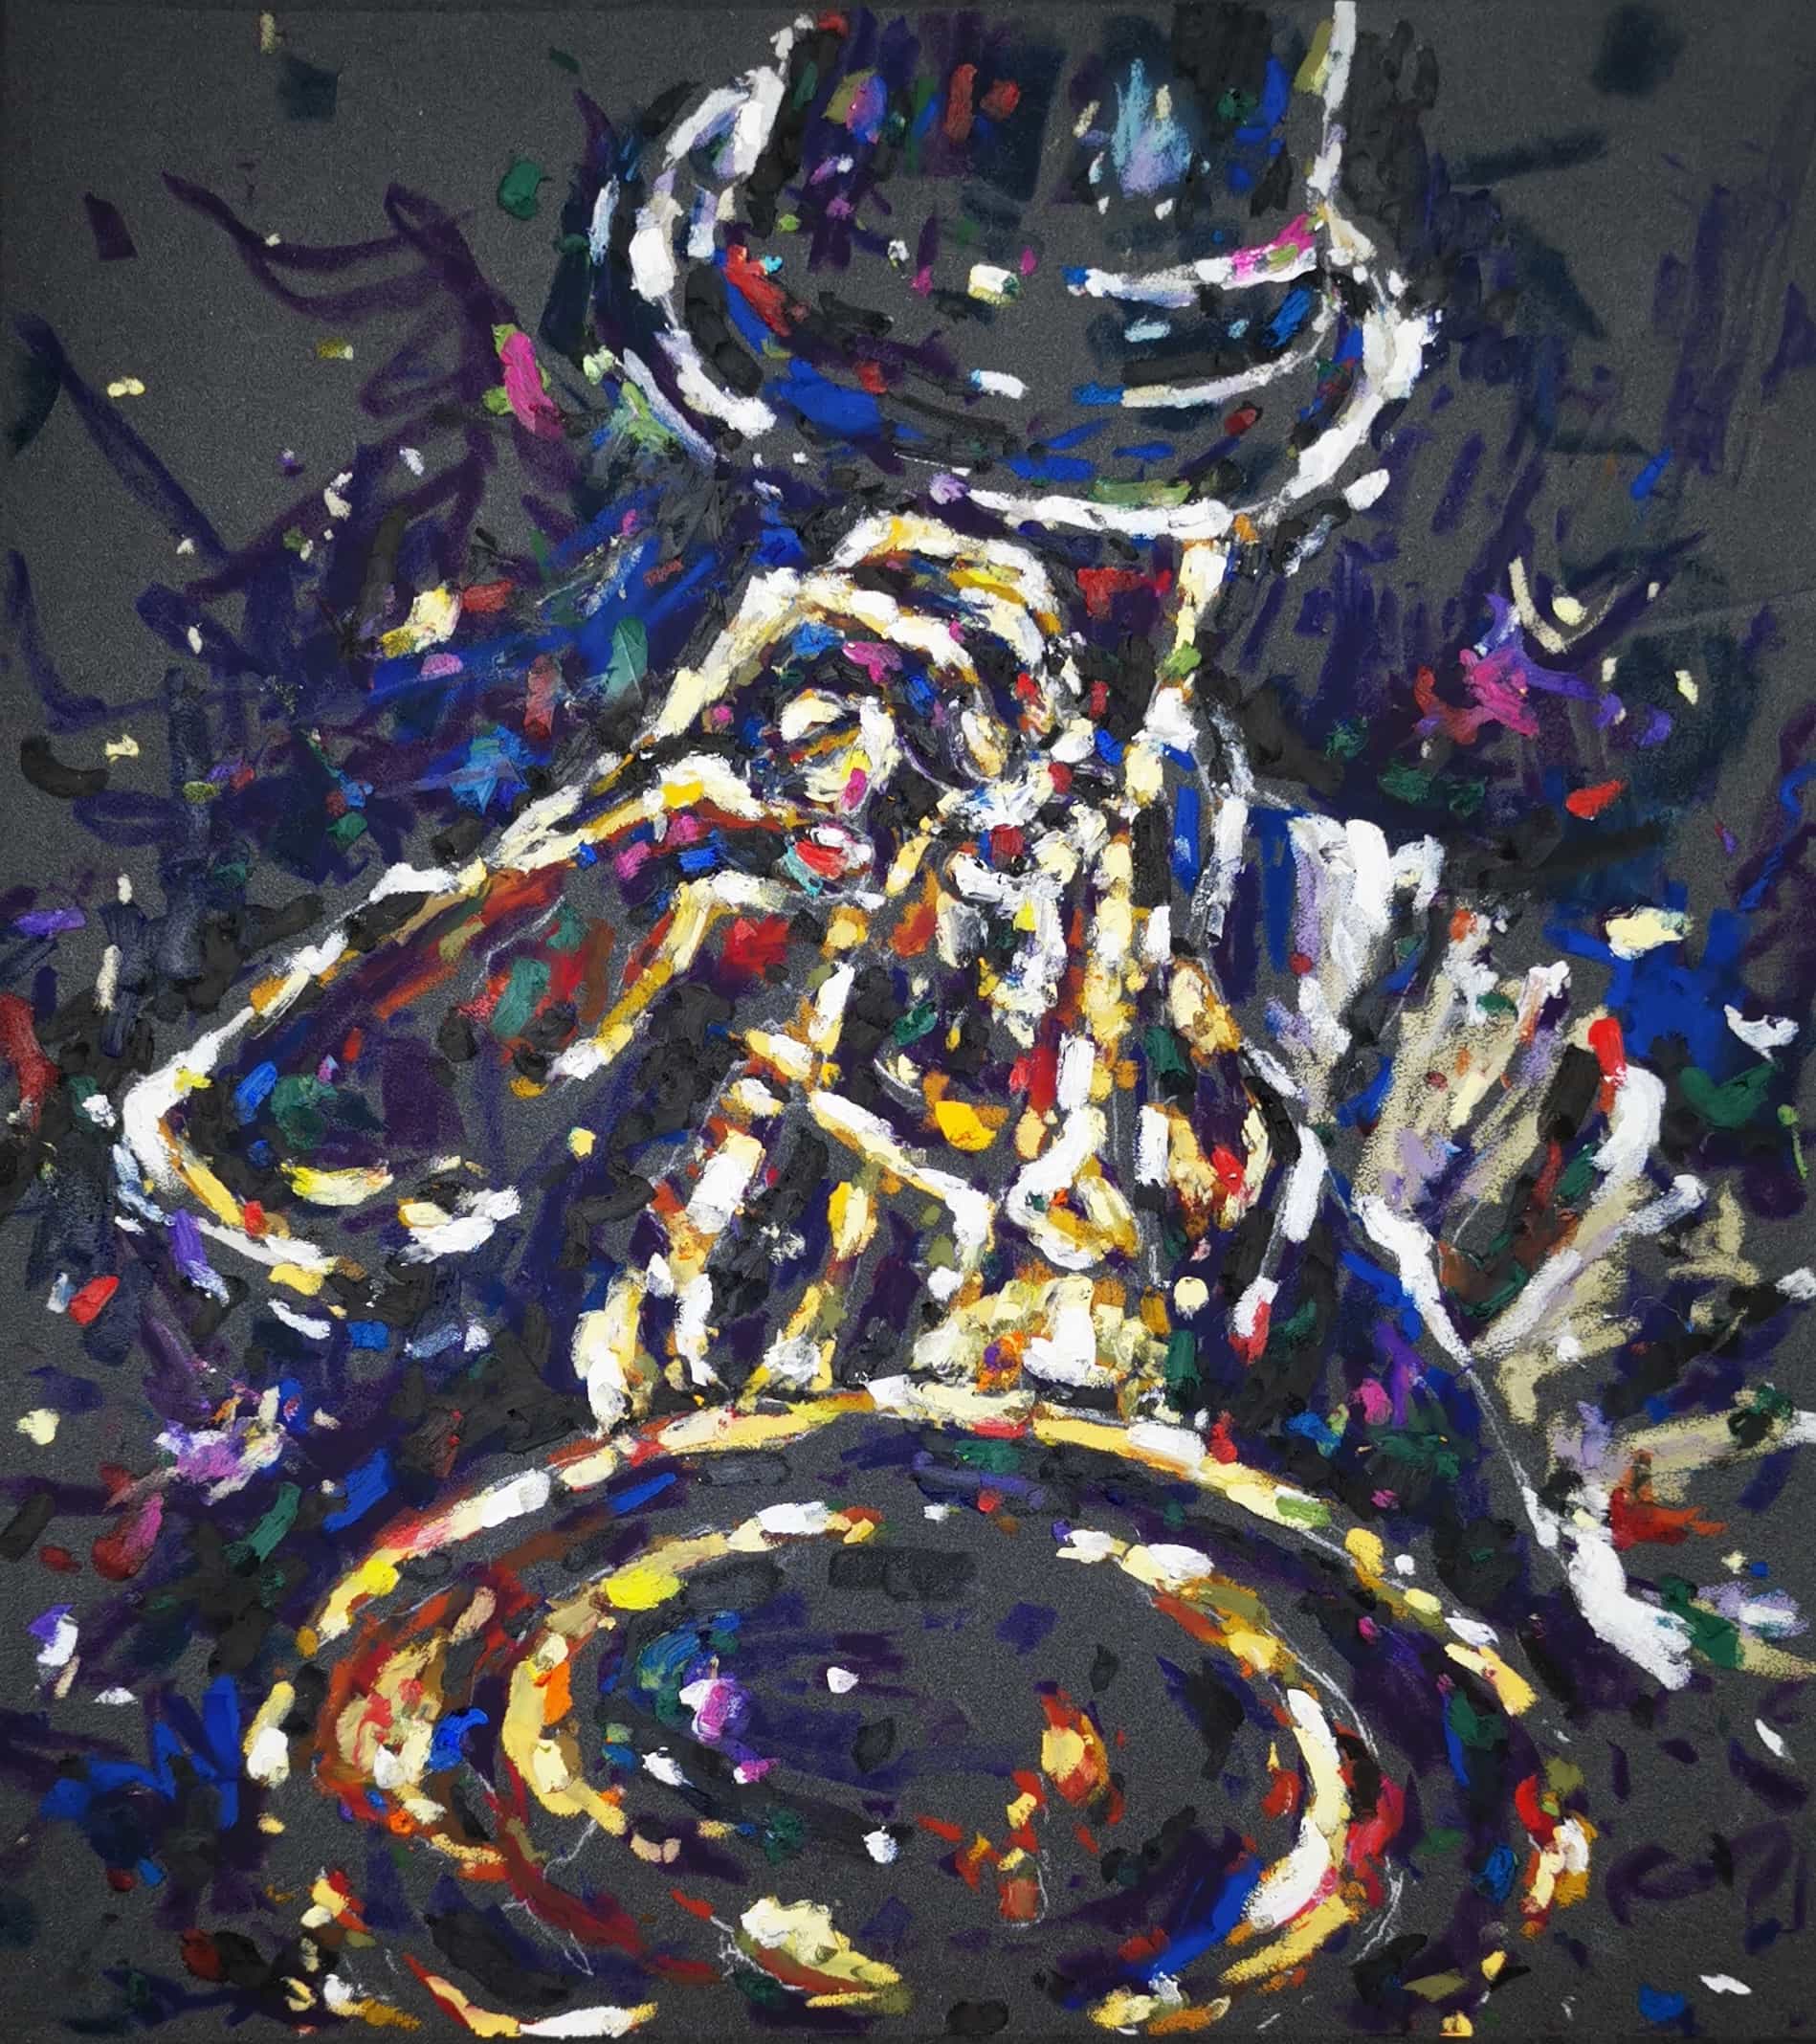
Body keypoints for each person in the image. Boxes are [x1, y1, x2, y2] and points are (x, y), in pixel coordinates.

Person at [113, 2, 1810, 2027]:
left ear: (1225, 530)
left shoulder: (1389, 1002)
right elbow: (248, 1178)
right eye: (884, 487)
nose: (984, 586)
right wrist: (658, 848)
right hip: (617, 1858)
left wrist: (1311, 1283)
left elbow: (1671, 1678)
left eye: (1103, 520)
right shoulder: (662, 877)